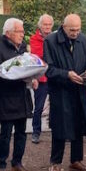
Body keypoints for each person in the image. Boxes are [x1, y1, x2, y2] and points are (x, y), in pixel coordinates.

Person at [43, 14, 86, 171]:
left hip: (79, 90)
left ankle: (76, 160)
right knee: (60, 126)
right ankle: (55, 162)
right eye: (72, 30)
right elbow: (48, 69)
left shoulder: (82, 39)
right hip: (61, 91)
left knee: (79, 124)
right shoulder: (51, 41)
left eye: (78, 29)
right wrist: (66, 75)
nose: (75, 33)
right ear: (63, 27)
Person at [0, 18, 37, 171]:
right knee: (6, 133)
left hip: (23, 97)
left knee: (22, 133)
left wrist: (33, 78)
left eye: (23, 31)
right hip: (6, 98)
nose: (22, 34)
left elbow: (28, 67)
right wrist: (15, 77)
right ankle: (1, 165)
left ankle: (17, 163)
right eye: (19, 31)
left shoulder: (23, 48)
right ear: (8, 33)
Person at [28, 14, 54, 144]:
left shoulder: (55, 38)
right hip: (41, 77)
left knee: (57, 105)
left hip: (54, 77)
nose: (47, 27)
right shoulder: (34, 39)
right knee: (38, 107)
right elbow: (38, 56)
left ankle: (56, 129)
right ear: (40, 26)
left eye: (49, 25)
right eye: (45, 24)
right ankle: (36, 132)